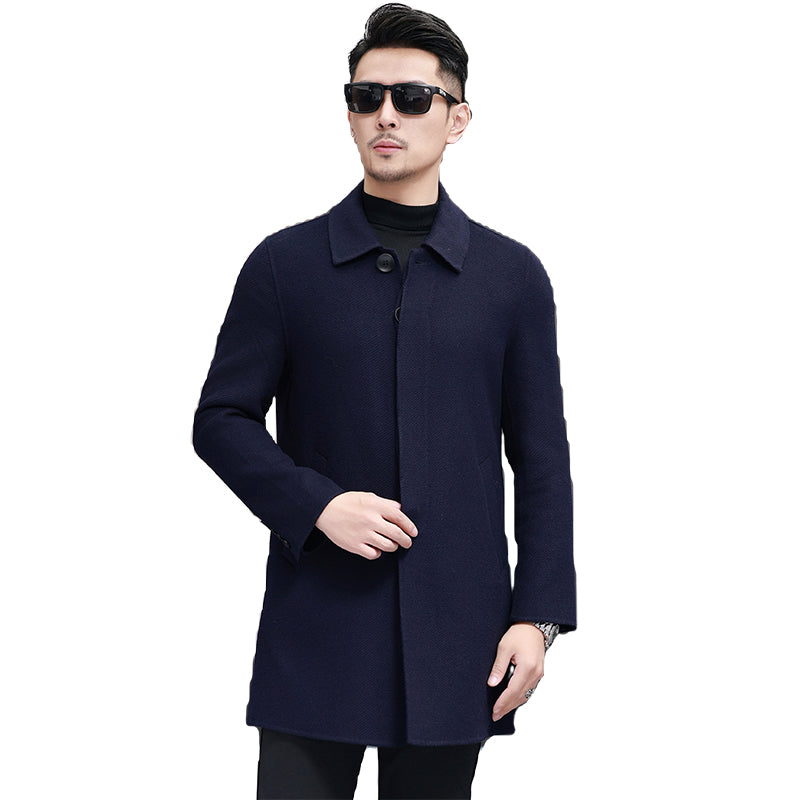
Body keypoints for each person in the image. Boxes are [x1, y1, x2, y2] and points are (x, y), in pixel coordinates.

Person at [192, 3, 577, 798]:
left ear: (457, 118)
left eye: (412, 97)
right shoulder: (285, 265)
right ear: (349, 113)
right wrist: (316, 504)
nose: (386, 116)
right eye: (366, 98)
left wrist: (537, 617)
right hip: (317, 624)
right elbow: (221, 420)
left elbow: (542, 462)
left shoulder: (510, 278)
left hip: (460, 632)